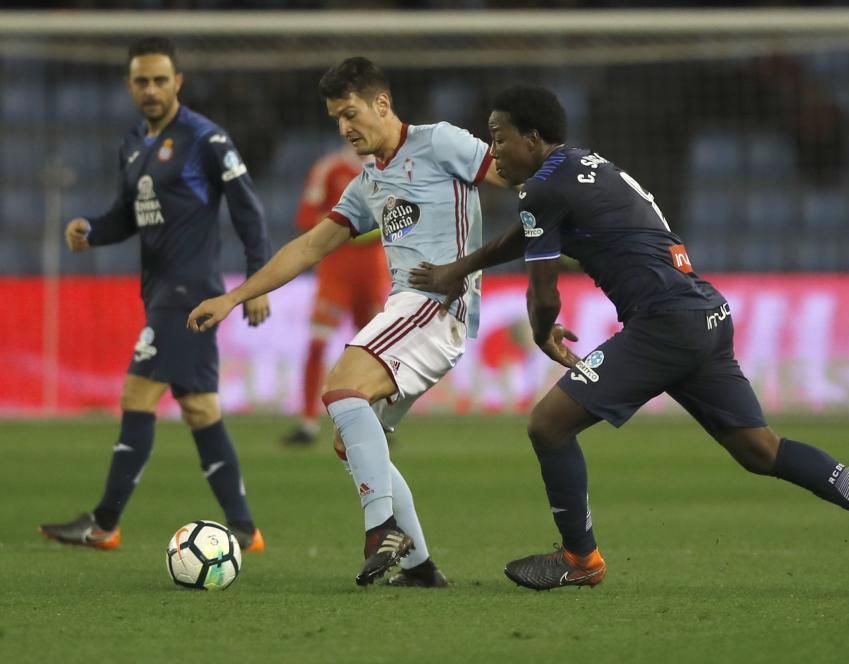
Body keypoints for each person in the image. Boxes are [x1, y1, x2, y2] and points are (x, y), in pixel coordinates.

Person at [409, 85, 849, 594]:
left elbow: (543, 293)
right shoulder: (581, 168)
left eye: (500, 137)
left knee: (548, 425)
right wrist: (462, 267)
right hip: (702, 314)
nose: (494, 151)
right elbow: (525, 236)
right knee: (761, 450)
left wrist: (544, 329)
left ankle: (579, 560)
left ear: (532, 137)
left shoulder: (543, 188)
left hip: (663, 323)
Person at [187, 57, 507, 587]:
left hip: (435, 302)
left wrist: (564, 228)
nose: (344, 127)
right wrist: (234, 296)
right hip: (409, 310)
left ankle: (379, 528)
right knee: (354, 440)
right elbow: (312, 245)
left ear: (382, 104)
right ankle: (420, 567)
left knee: (341, 389)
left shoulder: (440, 142)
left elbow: (511, 173)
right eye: (336, 118)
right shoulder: (367, 183)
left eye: (351, 113)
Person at [39, 37, 271, 554]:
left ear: (178, 82)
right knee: (200, 409)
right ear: (129, 86)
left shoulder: (205, 139)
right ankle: (243, 529)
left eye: (160, 80)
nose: (150, 89)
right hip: (161, 291)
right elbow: (127, 214)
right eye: (141, 81)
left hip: (188, 294)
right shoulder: (133, 145)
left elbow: (248, 208)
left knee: (137, 395)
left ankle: (103, 524)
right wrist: (91, 231)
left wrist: (257, 279)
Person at [281, 147, 389, 446]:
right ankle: (307, 423)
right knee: (317, 343)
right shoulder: (329, 168)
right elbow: (306, 217)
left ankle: (376, 421)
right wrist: (347, 226)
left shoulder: (389, 168)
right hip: (336, 269)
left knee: (375, 349)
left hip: (373, 269)